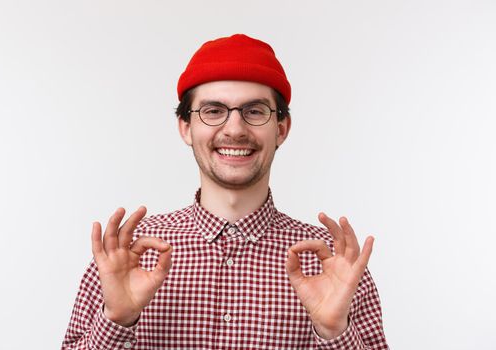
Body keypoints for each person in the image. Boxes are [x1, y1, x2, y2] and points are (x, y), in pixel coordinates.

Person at [62, 34, 389, 349]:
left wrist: (335, 333)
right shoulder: (125, 255)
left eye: (255, 111)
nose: (234, 129)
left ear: (282, 129)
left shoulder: (334, 262)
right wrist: (116, 320)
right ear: (186, 127)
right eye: (213, 111)